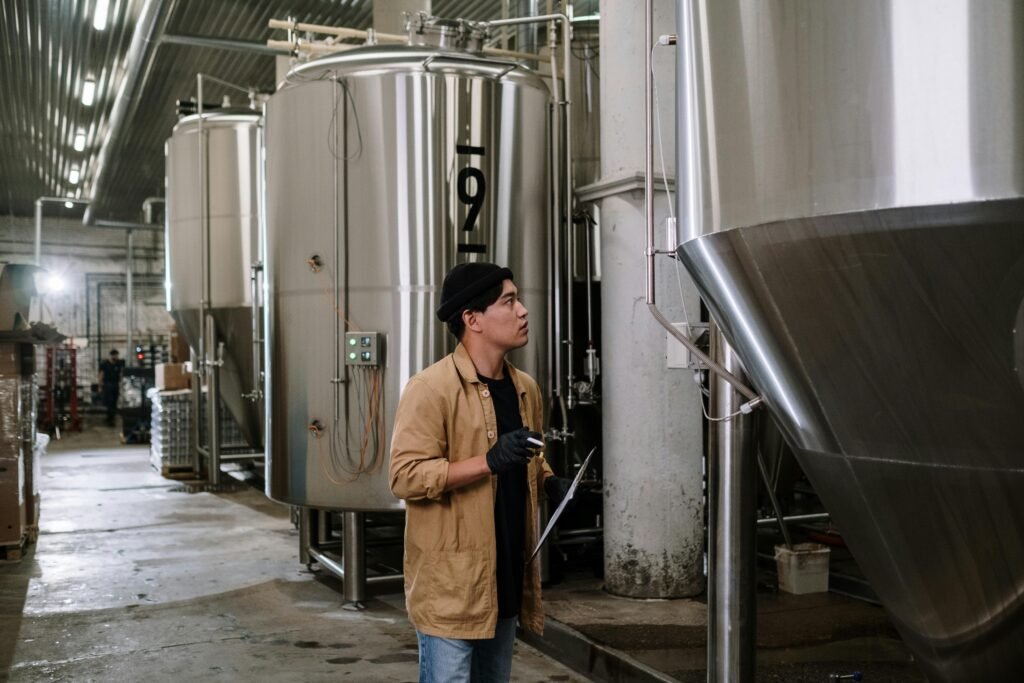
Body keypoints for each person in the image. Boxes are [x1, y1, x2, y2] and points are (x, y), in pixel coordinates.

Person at [389, 262, 572, 682]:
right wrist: (488, 462)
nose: (523, 310)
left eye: (518, 299)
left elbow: (528, 456)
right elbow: (404, 475)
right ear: (472, 319)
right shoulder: (430, 388)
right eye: (509, 301)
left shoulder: (525, 388)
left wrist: (549, 482)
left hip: (504, 579)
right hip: (452, 589)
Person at [98, 348, 124, 427]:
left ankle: (110, 417)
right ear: (111, 355)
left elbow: (121, 374)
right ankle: (111, 420)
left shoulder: (118, 364)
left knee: (114, 402)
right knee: (110, 402)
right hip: (108, 384)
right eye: (115, 355)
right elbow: (101, 375)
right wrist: (100, 386)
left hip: (115, 384)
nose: (116, 357)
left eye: (117, 355)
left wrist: (121, 384)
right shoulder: (105, 364)